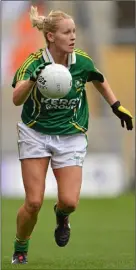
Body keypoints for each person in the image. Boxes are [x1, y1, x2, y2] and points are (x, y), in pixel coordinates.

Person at [11, 6, 133, 264]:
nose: (73, 37)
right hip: (35, 133)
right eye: (67, 32)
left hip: (71, 135)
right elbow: (15, 98)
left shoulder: (81, 61)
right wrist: (34, 79)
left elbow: (98, 79)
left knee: (69, 201)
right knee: (33, 202)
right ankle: (21, 248)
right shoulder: (34, 62)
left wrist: (116, 106)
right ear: (51, 37)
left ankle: (62, 216)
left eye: (75, 31)